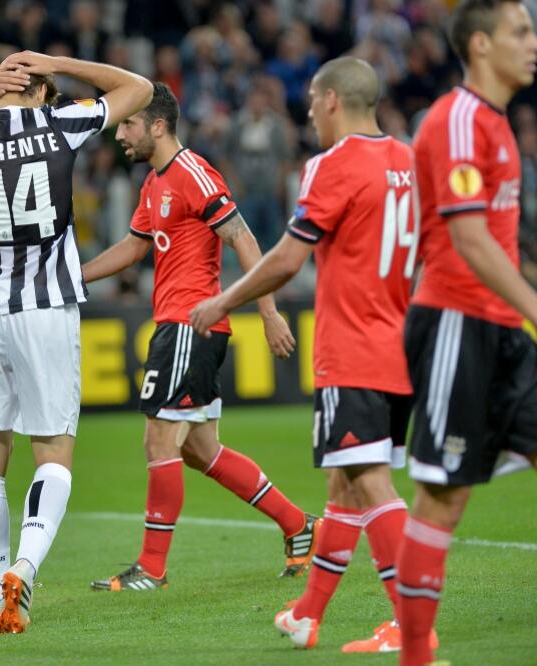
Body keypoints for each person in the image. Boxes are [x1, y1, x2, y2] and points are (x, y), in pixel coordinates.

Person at [190, 57, 434, 654]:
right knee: (345, 486)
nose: (307, 115)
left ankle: (411, 628)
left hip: (352, 349)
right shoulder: (408, 162)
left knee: (371, 482)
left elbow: (288, 258)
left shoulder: (331, 164)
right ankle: (307, 614)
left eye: (310, 105)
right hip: (398, 344)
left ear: (330, 100)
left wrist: (225, 300)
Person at [0, 50, 152, 633]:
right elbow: (138, 88)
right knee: (54, 452)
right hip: (45, 309)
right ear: (42, 91)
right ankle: (26, 568)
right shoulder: (57, 123)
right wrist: (56, 60)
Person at [81, 82, 317, 594]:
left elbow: (244, 238)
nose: (119, 133)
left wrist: (270, 311)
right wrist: (76, 278)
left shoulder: (192, 172)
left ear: (158, 126)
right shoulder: (154, 182)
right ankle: (299, 527)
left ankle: (152, 568)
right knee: (200, 450)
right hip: (176, 325)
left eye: (128, 124)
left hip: (191, 325)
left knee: (159, 438)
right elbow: (132, 247)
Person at [395, 3, 537, 665]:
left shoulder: (496, 124)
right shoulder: (455, 118)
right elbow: (471, 239)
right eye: (520, 31)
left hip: (505, 326)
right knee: (443, 498)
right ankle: (416, 654)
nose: (532, 43)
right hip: (457, 320)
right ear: (480, 43)